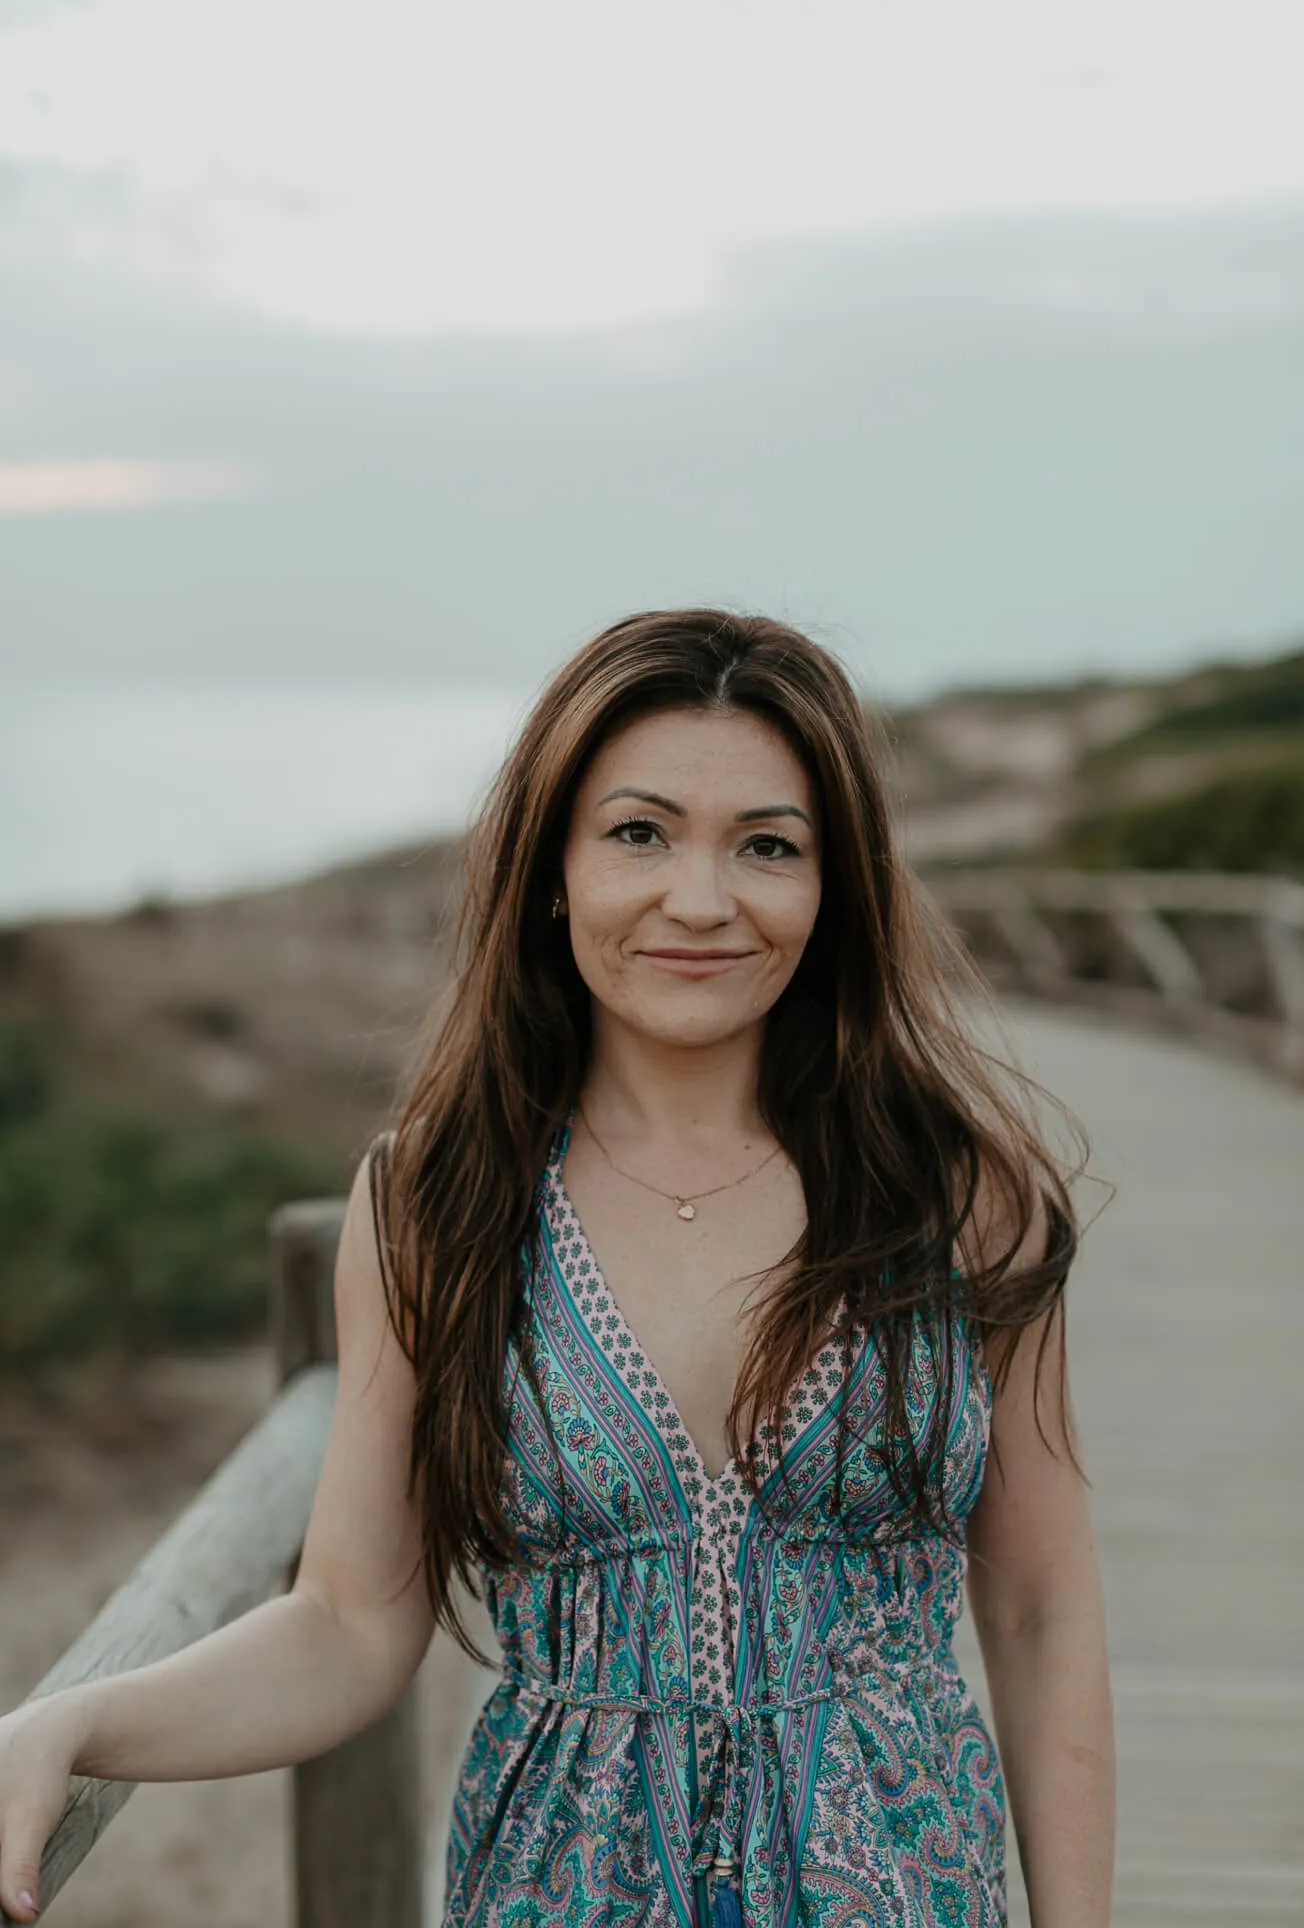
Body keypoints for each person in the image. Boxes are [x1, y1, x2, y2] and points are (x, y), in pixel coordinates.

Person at [0, 609, 1114, 1926]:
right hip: (556, 1889)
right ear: (553, 868)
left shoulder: (960, 1196)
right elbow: (352, 1622)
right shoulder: (436, 1203)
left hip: (904, 1888)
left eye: (767, 846)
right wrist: (67, 1725)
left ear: (835, 888)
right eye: (639, 833)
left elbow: (1043, 1610)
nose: (699, 900)